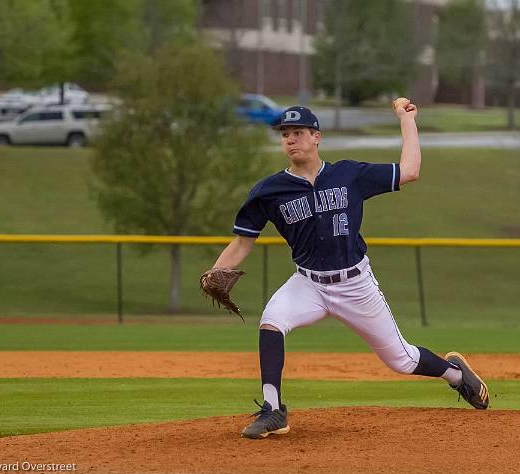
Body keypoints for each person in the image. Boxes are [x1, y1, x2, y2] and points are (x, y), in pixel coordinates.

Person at [203, 101, 489, 440]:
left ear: (316, 137)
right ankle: (273, 410)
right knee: (272, 321)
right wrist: (215, 271)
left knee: (402, 359)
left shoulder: (349, 174)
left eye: (298, 132)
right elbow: (241, 243)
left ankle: (456, 376)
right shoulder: (268, 191)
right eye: (285, 134)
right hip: (308, 282)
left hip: (355, 284)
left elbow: (409, 170)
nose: (290, 139)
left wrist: (407, 120)